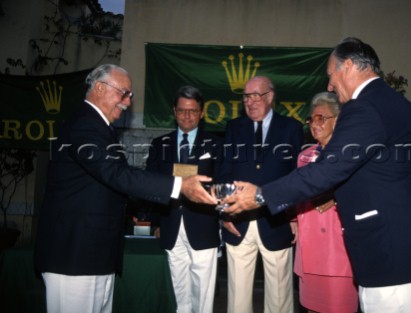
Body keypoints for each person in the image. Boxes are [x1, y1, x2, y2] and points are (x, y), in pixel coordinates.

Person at [222, 37, 411, 313]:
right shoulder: (389, 102)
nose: (329, 85)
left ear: (347, 66)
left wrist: (261, 194)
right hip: (407, 250)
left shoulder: (367, 106)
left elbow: (328, 169)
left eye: (330, 76)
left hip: (399, 255)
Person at [34, 64, 216, 313]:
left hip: (93, 252)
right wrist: (180, 186)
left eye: (130, 95)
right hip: (75, 254)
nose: (128, 102)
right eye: (124, 93)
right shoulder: (85, 125)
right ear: (99, 88)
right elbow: (116, 174)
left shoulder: (100, 127)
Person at [218, 75, 303, 313]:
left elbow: (296, 176)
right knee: (237, 298)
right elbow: (224, 172)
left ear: (270, 96)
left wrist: (295, 216)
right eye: (246, 96)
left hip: (276, 220)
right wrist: (225, 212)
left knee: (279, 296)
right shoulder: (233, 128)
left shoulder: (291, 128)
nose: (250, 102)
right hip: (238, 221)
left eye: (255, 96)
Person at [145, 85, 222, 313]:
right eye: (182, 110)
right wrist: (157, 222)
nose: (187, 116)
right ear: (174, 111)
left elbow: (221, 183)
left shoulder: (216, 145)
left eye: (192, 110)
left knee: (203, 295)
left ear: (202, 112)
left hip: (203, 225)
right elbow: (152, 185)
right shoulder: (159, 145)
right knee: (179, 294)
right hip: (170, 226)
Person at [295, 91, 358, 313]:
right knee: (311, 308)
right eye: (312, 119)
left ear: (338, 120)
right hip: (309, 249)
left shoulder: (350, 154)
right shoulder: (304, 156)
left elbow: (363, 191)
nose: (314, 123)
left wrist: (336, 197)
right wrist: (292, 219)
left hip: (338, 251)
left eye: (321, 118)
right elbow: (297, 194)